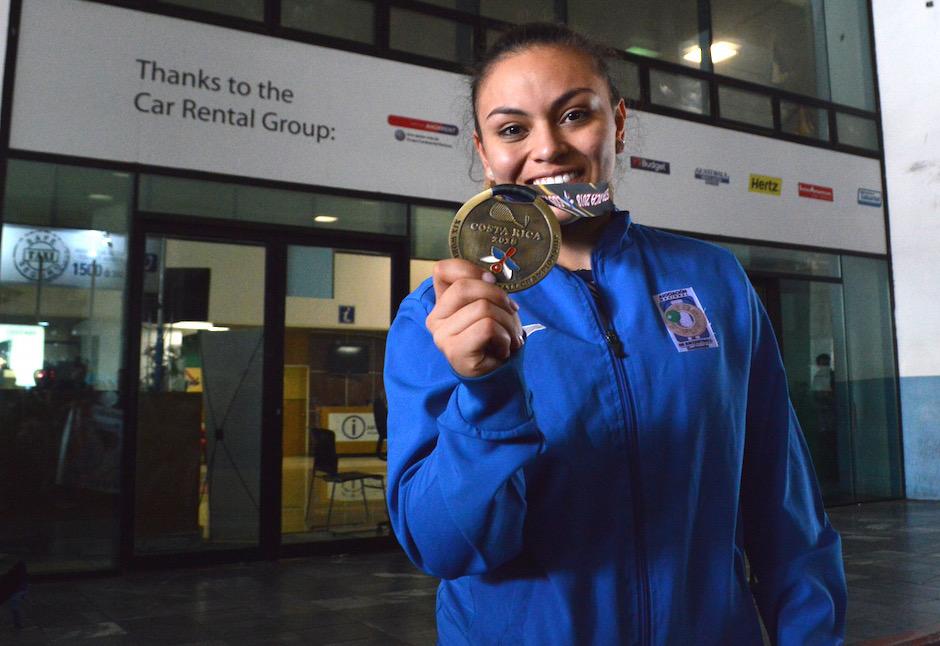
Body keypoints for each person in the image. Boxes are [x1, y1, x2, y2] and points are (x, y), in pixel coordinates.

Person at [384, 23, 846, 645]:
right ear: (485, 151)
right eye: (513, 129)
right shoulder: (440, 314)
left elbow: (784, 508)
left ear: (618, 123)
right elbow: (445, 546)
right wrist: (487, 394)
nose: (548, 148)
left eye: (575, 115)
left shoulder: (713, 279)